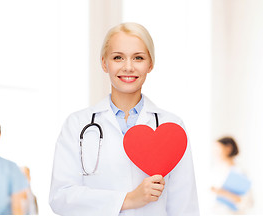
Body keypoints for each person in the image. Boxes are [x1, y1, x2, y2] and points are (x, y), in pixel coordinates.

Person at [49, 22, 199, 215]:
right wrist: (128, 199)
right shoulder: (77, 125)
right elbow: (60, 197)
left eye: (138, 58)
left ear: (150, 64)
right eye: (118, 57)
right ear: (104, 63)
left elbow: (185, 205)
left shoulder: (172, 126)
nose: (128, 67)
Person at [211, 136, 253, 214]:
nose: (214, 153)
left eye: (217, 149)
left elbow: (248, 202)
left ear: (228, 148)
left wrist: (224, 193)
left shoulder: (240, 172)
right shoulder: (214, 171)